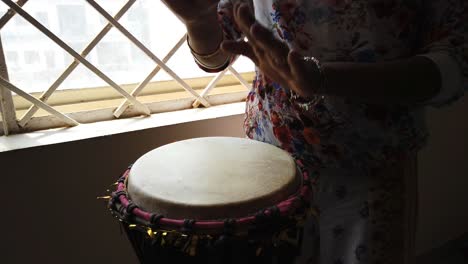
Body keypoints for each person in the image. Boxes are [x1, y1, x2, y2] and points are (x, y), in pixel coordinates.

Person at [162, 0, 467, 263]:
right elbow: (220, 48)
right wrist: (199, 22)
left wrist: (324, 79)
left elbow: (454, 63)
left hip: (373, 169)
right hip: (273, 166)